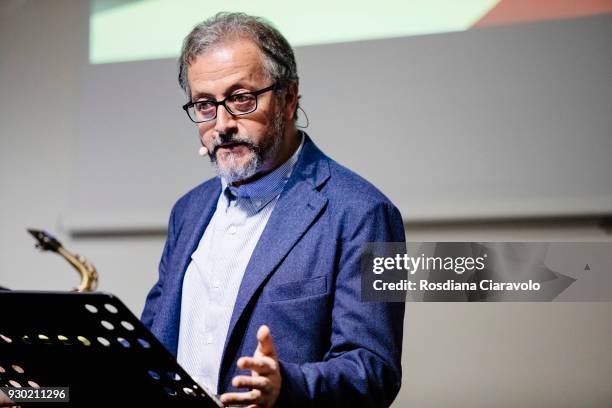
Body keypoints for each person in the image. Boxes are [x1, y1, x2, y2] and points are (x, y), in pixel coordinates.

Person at [141, 12, 406, 408]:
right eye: (204, 105)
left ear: (288, 97)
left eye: (241, 98)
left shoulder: (366, 213)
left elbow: (375, 369)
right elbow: (150, 350)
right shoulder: (188, 211)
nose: (223, 123)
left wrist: (287, 385)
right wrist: (47, 388)